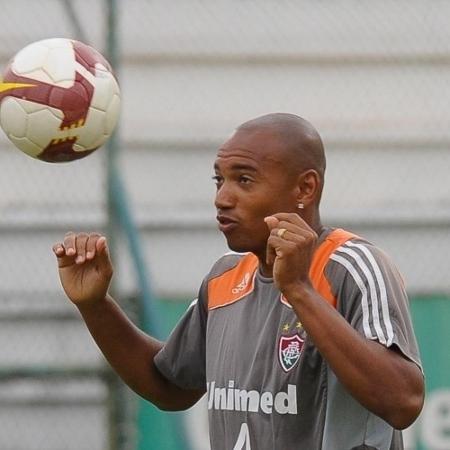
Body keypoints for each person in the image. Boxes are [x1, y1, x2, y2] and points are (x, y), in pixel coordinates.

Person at [53, 113, 424, 450]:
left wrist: (298, 290)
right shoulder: (224, 278)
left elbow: (402, 402)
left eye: (244, 180)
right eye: (219, 179)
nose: (222, 198)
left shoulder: (351, 266)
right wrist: (95, 306)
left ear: (305, 189)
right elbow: (169, 387)